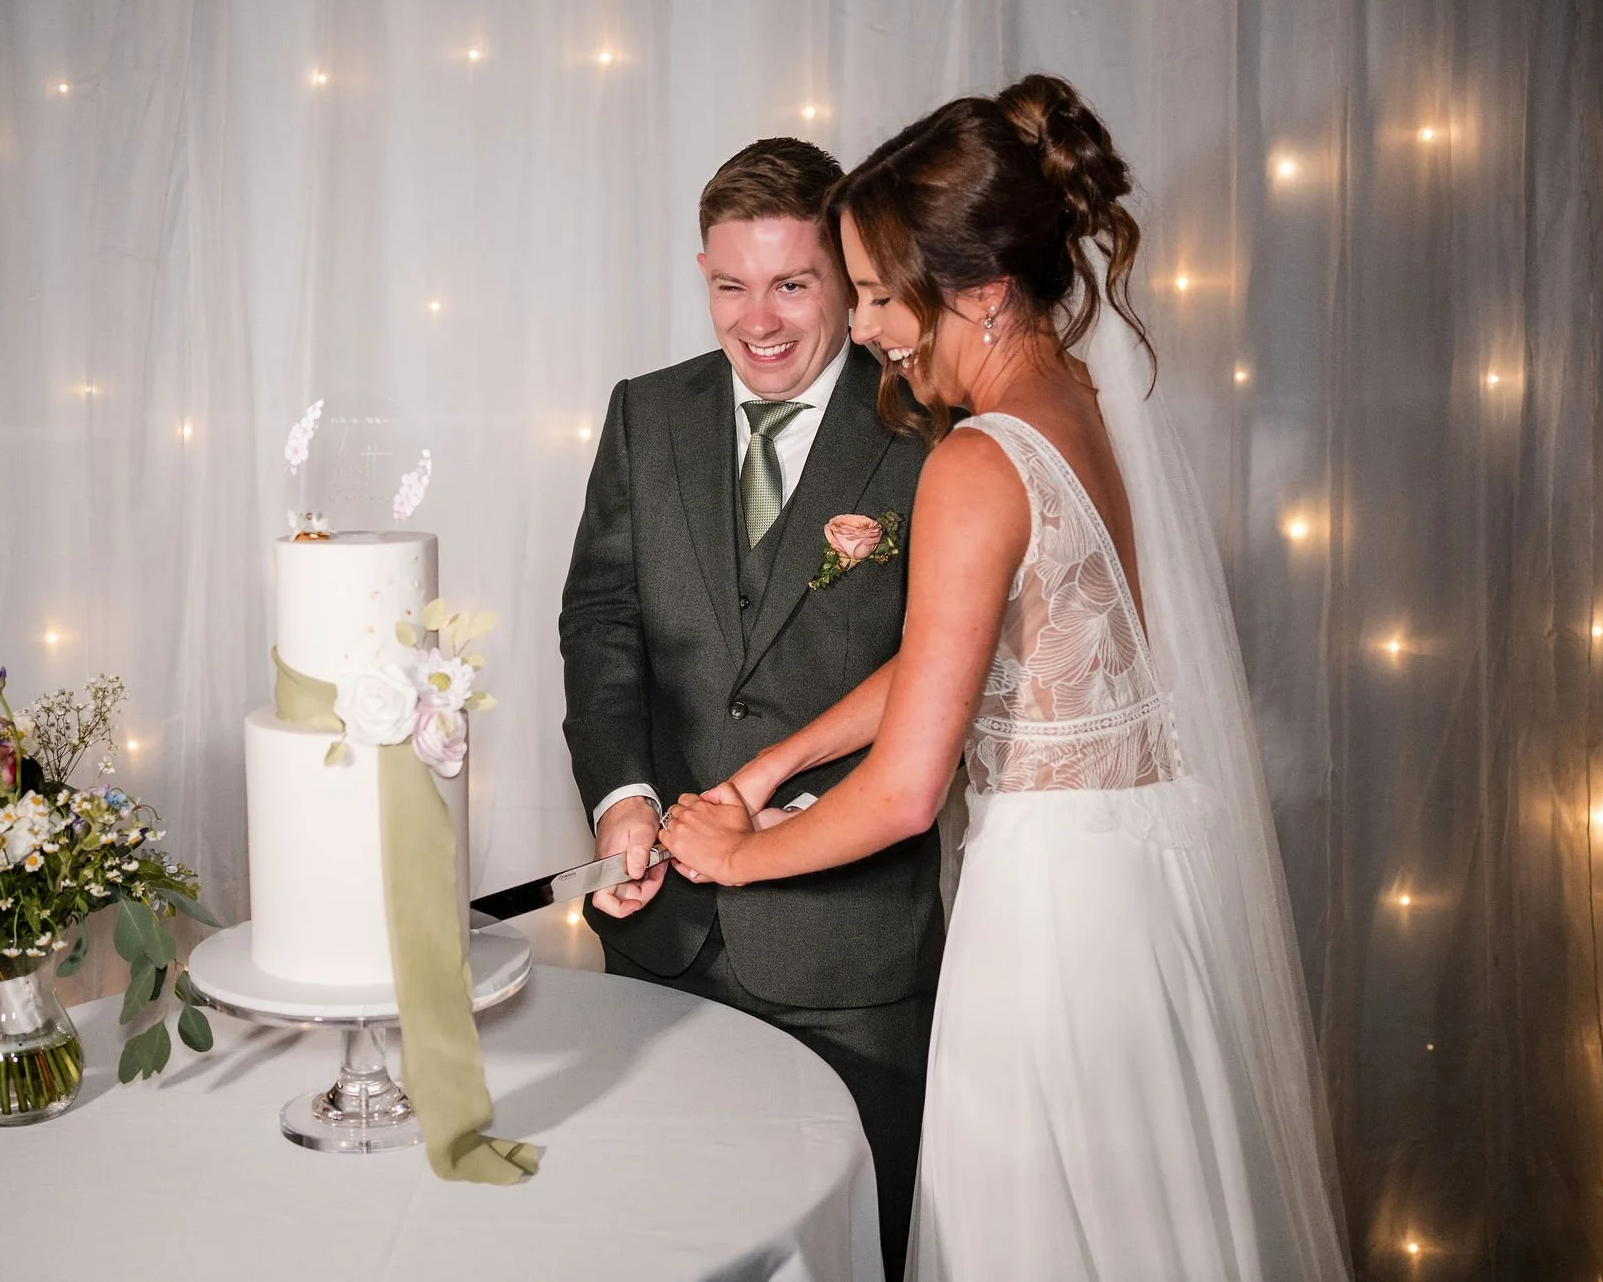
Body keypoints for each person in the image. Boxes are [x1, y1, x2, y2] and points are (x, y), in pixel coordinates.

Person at [662, 77, 1353, 1280]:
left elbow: (904, 793)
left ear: (976, 292)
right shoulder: (1072, 402)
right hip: (1134, 884)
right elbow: (956, 654)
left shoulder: (975, 463)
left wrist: (736, 853)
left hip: (1047, 923)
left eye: (878, 294)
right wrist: (773, 764)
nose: (866, 325)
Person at [559, 137, 941, 1279]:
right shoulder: (644, 413)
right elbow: (602, 626)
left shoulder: (926, 430)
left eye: (791, 284)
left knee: (842, 1253)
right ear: (700, 273)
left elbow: (947, 680)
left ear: (849, 276)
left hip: (848, 955)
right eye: (730, 285)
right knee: (661, 1237)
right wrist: (621, 798)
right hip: (661, 938)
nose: (756, 321)